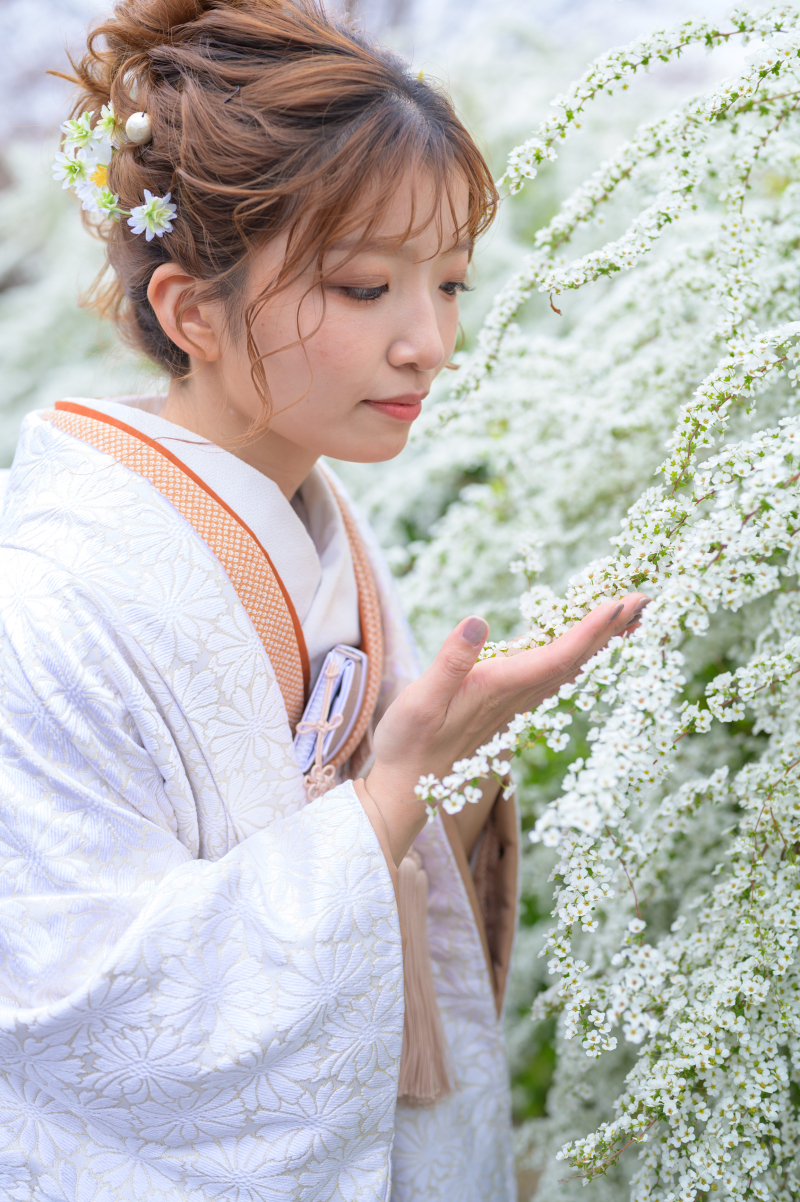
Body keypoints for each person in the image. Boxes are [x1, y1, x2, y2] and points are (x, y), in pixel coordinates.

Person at [0, 2, 648, 1198]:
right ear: (191, 312)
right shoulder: (46, 595)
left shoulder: (312, 510)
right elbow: (76, 1009)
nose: (429, 342)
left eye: (447, 282)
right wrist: (393, 789)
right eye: (362, 288)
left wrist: (453, 760)